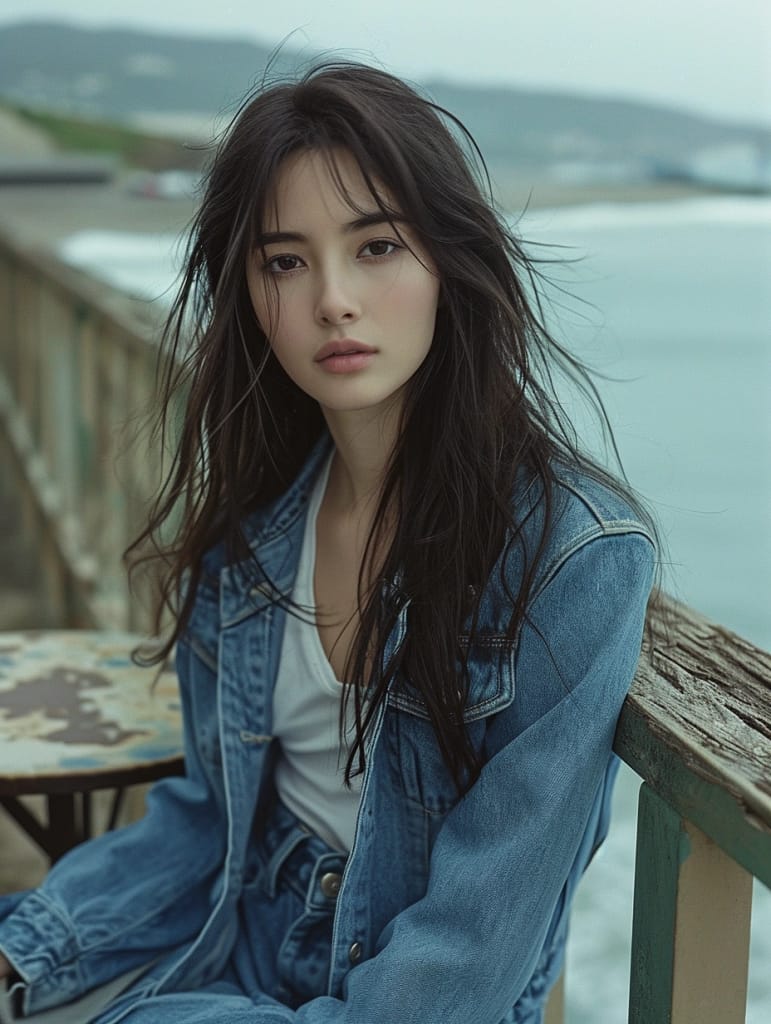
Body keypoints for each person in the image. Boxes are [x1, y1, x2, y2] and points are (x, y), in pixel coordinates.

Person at [0, 62, 656, 1024]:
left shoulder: (571, 559)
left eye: (377, 246)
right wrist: (27, 956)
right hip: (229, 928)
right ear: (252, 296)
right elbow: (206, 826)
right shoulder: (257, 524)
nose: (333, 301)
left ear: (448, 260)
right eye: (284, 262)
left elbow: (475, 945)